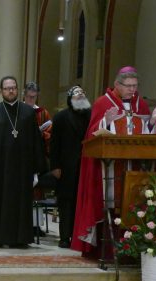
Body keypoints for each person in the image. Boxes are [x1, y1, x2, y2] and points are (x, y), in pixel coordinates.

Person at [71, 66, 156, 254]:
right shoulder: (102, 103)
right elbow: (91, 139)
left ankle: (135, 248)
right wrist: (105, 122)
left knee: (135, 203)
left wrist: (152, 121)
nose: (132, 90)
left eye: (135, 86)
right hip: (109, 168)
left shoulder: (142, 105)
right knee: (110, 204)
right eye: (128, 86)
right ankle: (106, 250)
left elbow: (147, 137)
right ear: (117, 84)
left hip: (135, 167)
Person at [0, 76, 45, 248]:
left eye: (13, 87)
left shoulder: (28, 113)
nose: (11, 91)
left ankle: (20, 239)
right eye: (7, 88)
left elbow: (36, 142)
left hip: (21, 170)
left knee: (20, 204)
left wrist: (36, 169)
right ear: (1, 91)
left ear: (18, 90)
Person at [49, 85, 92, 248]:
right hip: (66, 167)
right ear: (70, 99)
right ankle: (65, 237)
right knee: (66, 203)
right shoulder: (61, 117)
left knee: (82, 202)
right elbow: (54, 144)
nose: (80, 96)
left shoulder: (91, 115)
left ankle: (80, 236)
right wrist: (55, 166)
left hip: (86, 166)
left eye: (82, 94)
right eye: (76, 94)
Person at [23, 81, 53, 237]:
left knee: (37, 191)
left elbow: (49, 134)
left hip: (37, 156)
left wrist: (43, 134)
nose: (31, 100)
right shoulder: (17, 110)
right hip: (20, 156)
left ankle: (35, 225)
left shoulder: (42, 113)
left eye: (34, 97)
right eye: (28, 97)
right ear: (24, 95)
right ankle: (21, 223)